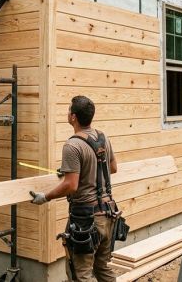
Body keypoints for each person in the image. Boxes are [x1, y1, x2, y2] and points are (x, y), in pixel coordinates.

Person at [30, 96, 119, 282]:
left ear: (73, 117)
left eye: (69, 110)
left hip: (86, 220)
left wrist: (45, 197)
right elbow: (112, 168)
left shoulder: (72, 145)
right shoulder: (102, 138)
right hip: (108, 214)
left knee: (81, 275)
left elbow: (71, 185)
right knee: (102, 268)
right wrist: (74, 170)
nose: (68, 112)